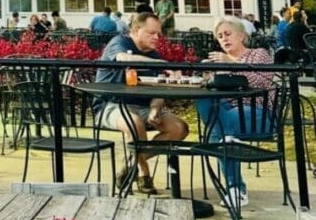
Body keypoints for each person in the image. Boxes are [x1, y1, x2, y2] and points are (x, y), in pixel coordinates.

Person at [93, 12, 189, 194]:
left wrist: (154, 108)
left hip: (144, 107)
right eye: (151, 33)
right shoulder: (120, 42)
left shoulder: (153, 55)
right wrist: (161, 63)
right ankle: (144, 175)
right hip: (110, 105)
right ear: (136, 30)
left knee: (179, 128)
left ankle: (131, 162)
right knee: (134, 123)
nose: (156, 38)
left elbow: (159, 88)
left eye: (158, 34)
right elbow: (123, 58)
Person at [197, 16, 273, 209]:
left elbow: (260, 81)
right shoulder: (219, 61)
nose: (224, 39)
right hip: (229, 113)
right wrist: (208, 79)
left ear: (241, 35)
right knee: (204, 100)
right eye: (220, 36)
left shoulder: (259, 54)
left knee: (220, 128)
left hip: (260, 114)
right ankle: (235, 187)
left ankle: (235, 188)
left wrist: (231, 61)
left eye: (228, 34)